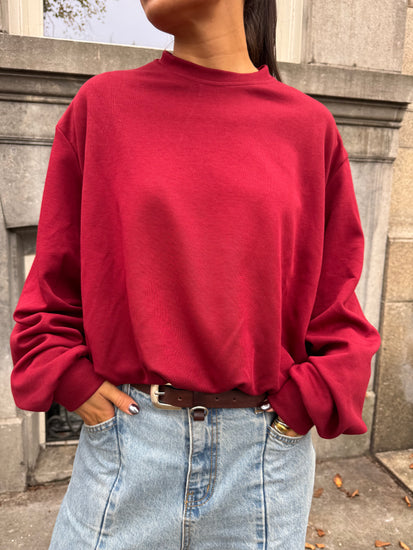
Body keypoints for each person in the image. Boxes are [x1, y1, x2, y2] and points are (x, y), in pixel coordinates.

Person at [9, 0, 381, 548]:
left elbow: (335, 303)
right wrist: (71, 379)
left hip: (262, 462)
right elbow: (54, 281)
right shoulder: (104, 108)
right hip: (127, 445)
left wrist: (299, 409)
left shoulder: (308, 128)